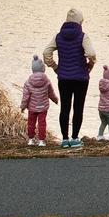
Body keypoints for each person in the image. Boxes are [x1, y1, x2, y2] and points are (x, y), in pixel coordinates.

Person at [43, 8, 96, 149]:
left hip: (64, 78)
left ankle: (65, 140)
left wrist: (55, 67)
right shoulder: (83, 36)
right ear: (80, 21)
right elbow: (91, 53)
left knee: (65, 108)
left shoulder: (58, 36)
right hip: (81, 78)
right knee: (78, 108)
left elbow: (46, 53)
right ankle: (75, 138)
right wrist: (90, 64)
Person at [20, 55, 59, 147]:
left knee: (31, 123)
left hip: (32, 108)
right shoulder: (47, 81)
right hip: (43, 107)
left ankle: (31, 139)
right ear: (43, 69)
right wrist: (55, 100)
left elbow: (26, 96)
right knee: (42, 123)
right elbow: (51, 93)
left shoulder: (28, 82)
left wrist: (23, 107)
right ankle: (41, 141)